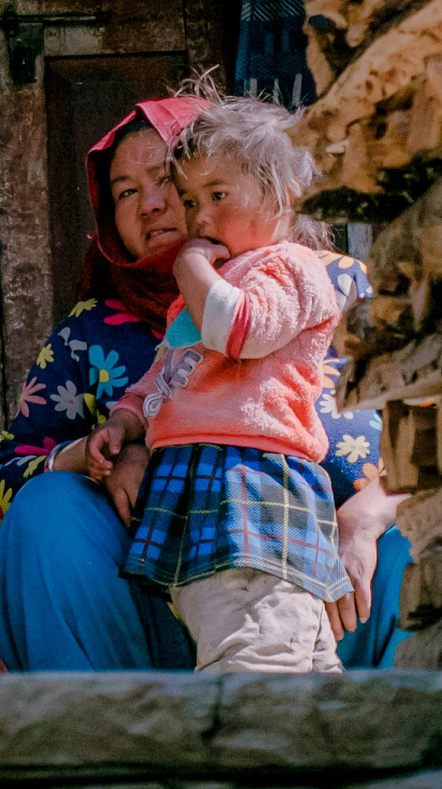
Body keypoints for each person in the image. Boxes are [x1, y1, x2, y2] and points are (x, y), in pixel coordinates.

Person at [0, 94, 407, 672]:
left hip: (337, 592)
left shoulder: (331, 286)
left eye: (171, 184)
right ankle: (111, 747)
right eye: (126, 192)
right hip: (159, 604)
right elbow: (1, 488)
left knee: (423, 535)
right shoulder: (87, 335)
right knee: (46, 511)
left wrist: (367, 517)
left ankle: (406, 744)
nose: (155, 205)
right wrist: (103, 456)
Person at [87, 96, 351, 673]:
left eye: (218, 196)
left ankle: (245, 758)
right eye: (191, 201)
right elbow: (168, 373)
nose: (199, 217)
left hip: (251, 489)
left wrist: (191, 267)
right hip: (213, 487)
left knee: (251, 651)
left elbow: (242, 330)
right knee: (284, 651)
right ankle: (316, 756)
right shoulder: (215, 283)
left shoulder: (290, 267)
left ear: (281, 197)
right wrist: (126, 419)